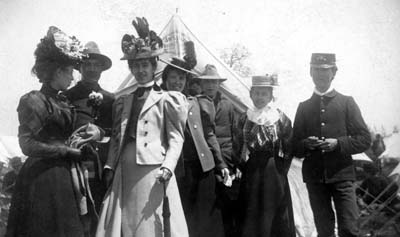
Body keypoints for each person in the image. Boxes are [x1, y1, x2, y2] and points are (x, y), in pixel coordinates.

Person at [96, 17, 189, 237]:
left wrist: (168, 165)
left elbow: (176, 138)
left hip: (154, 168)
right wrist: (110, 166)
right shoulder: (123, 100)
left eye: (144, 65)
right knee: (128, 221)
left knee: (150, 221)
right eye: (135, 66)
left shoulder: (168, 99)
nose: (140, 70)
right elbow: (118, 138)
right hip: (126, 167)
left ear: (153, 66)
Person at [6, 26, 103, 237]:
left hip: (65, 176)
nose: (72, 77)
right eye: (69, 72)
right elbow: (27, 145)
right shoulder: (34, 100)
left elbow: (68, 136)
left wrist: (86, 139)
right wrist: (65, 152)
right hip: (42, 179)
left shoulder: (62, 101)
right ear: (57, 71)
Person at [292, 53, 371, 237]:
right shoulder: (304, 107)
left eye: (325, 70)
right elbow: (294, 146)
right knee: (324, 230)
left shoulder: (346, 103)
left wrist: (339, 143)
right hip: (315, 177)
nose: (321, 74)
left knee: (349, 228)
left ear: (334, 72)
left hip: (342, 174)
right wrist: (307, 144)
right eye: (317, 70)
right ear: (311, 72)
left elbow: (365, 139)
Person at [161, 57, 229, 237]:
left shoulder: (196, 102)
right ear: (165, 79)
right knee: (183, 215)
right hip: (176, 169)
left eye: (182, 78)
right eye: (173, 77)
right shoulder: (159, 101)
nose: (177, 82)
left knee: (206, 216)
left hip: (202, 167)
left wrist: (220, 164)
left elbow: (209, 135)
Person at [234, 74, 295, 237]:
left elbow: (289, 145)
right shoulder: (244, 117)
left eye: (264, 94)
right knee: (252, 208)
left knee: (273, 209)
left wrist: (282, 169)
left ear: (270, 96)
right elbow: (238, 144)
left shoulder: (280, 117)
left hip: (273, 168)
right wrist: (241, 165)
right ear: (251, 94)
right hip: (252, 169)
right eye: (257, 93)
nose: (260, 97)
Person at [64, 41, 114, 213]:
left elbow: (116, 130)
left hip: (103, 163)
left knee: (102, 208)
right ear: (80, 68)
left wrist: (100, 133)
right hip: (78, 160)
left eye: (96, 65)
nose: (92, 69)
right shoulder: (67, 96)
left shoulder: (111, 99)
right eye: (87, 65)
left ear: (102, 69)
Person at [199, 64, 241, 237]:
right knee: (212, 205)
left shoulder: (228, 105)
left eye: (214, 82)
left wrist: (237, 162)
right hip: (208, 161)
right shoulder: (197, 104)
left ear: (219, 84)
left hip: (228, 158)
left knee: (230, 201)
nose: (210, 86)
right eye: (207, 83)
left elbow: (235, 133)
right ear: (201, 85)